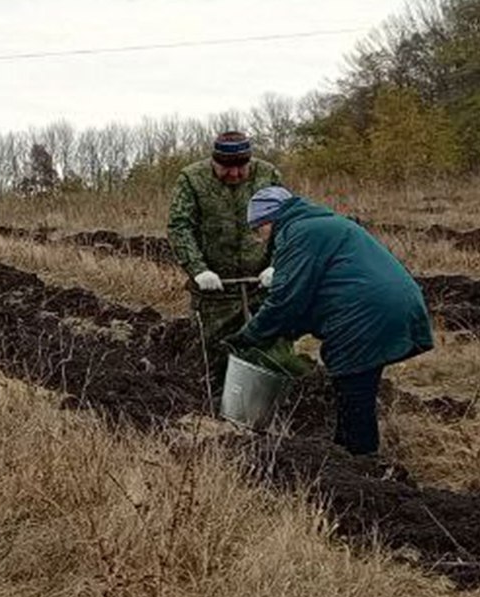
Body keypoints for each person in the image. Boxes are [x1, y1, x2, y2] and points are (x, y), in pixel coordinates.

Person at [228, 186, 433, 456]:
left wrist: (248, 337)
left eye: (258, 230)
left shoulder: (299, 233)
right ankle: (345, 453)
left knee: (354, 391)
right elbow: (313, 295)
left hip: (366, 312)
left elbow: (286, 299)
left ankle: (361, 464)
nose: (259, 239)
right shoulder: (320, 222)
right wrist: (288, 330)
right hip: (392, 303)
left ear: (269, 220)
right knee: (355, 388)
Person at [167, 132, 282, 375]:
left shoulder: (268, 175)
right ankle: (212, 405)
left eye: (242, 167)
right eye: (226, 168)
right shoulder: (191, 179)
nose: (235, 174)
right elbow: (180, 226)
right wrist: (198, 270)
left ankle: (274, 403)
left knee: (273, 351)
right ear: (213, 162)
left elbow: (285, 222)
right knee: (214, 355)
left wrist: (277, 264)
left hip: (260, 285)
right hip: (215, 290)